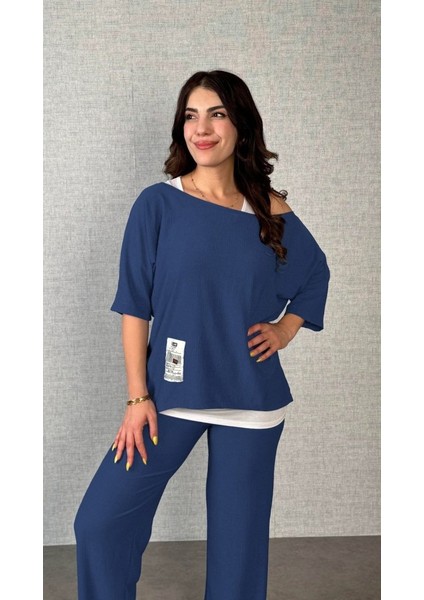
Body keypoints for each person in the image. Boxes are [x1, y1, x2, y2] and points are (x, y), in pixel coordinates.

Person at [74, 69, 330, 600]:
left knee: (238, 556)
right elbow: (134, 306)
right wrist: (137, 397)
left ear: (241, 125)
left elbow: (314, 272)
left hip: (251, 397)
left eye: (217, 114)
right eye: (191, 116)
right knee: (100, 523)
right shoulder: (157, 204)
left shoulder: (267, 209)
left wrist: (285, 329)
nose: (202, 128)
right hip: (170, 392)